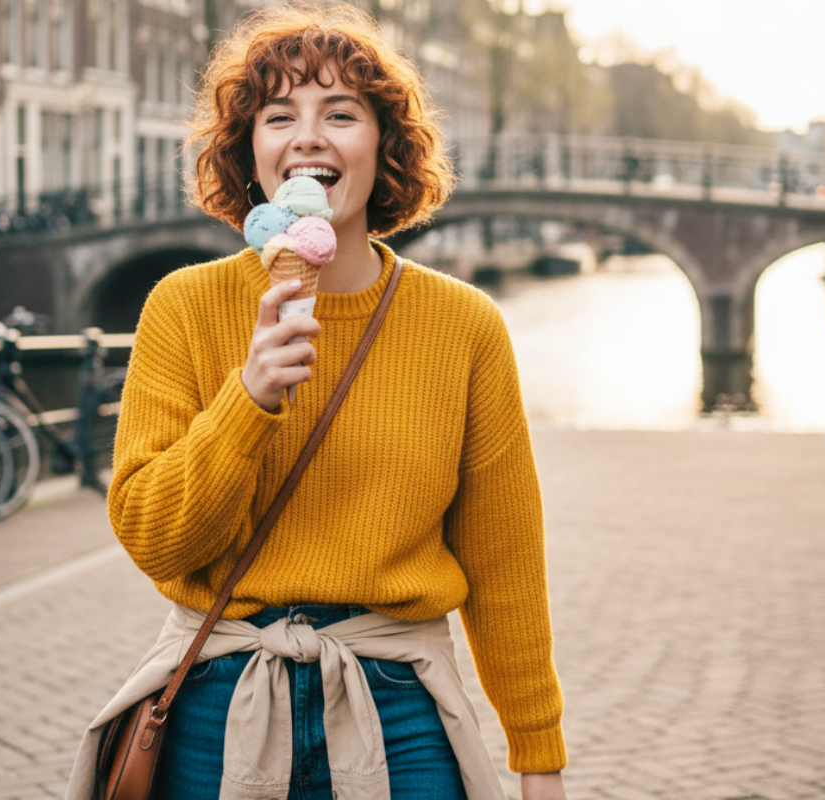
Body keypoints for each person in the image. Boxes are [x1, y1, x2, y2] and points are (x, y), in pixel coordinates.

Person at [66, 4, 566, 799]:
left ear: (384, 145)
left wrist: (537, 754)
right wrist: (247, 399)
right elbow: (156, 539)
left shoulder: (463, 325)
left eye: (341, 113)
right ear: (249, 151)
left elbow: (506, 560)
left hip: (400, 706)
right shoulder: (183, 307)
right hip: (216, 700)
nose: (308, 136)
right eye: (278, 116)